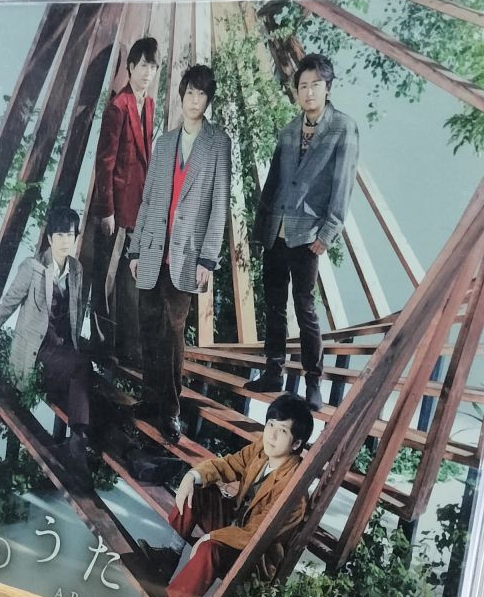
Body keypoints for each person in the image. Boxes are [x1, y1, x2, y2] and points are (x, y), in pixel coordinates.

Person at [246, 53, 359, 412]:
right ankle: (273, 372)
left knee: (305, 307)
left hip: (308, 234)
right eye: (303, 86)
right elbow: (273, 183)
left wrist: (328, 232)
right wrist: (260, 230)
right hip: (276, 230)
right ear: (296, 91)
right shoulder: (288, 130)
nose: (309, 92)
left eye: (315, 85)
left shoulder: (343, 128)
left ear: (328, 88)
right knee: (274, 304)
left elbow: (343, 185)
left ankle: (313, 382)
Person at [150, 393, 315, 597]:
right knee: (198, 490)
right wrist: (192, 476)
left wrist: (210, 536)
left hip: (253, 554)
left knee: (209, 549)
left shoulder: (294, 492)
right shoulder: (262, 450)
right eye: (270, 425)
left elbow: (257, 534)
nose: (271, 435)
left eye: (282, 431)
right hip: (235, 522)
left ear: (296, 444)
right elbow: (227, 465)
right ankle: (170, 556)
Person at [129, 63, 232, 444]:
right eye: (190, 93)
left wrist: (208, 258)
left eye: (201, 95)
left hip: (186, 256)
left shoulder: (218, 143)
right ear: (181, 95)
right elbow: (147, 201)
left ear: (208, 100)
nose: (194, 100)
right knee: (148, 329)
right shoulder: (164, 143)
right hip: (152, 252)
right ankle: (148, 399)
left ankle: (170, 411)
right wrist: (135, 249)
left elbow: (219, 205)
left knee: (173, 334)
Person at [0, 205, 96, 471]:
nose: (66, 241)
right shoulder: (32, 268)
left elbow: (75, 316)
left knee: (90, 384)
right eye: (60, 235)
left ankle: (121, 455)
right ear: (50, 238)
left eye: (70, 235)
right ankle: (77, 446)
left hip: (62, 356)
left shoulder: (76, 270)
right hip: (37, 354)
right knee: (82, 367)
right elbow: (6, 305)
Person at [90, 37, 160, 364]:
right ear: (130, 67)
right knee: (105, 276)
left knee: (129, 277)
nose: (147, 73)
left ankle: (128, 348)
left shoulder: (149, 105)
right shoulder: (118, 107)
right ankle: (102, 346)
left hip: (137, 208)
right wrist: (106, 210)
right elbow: (104, 163)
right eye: (142, 65)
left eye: (153, 67)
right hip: (115, 208)